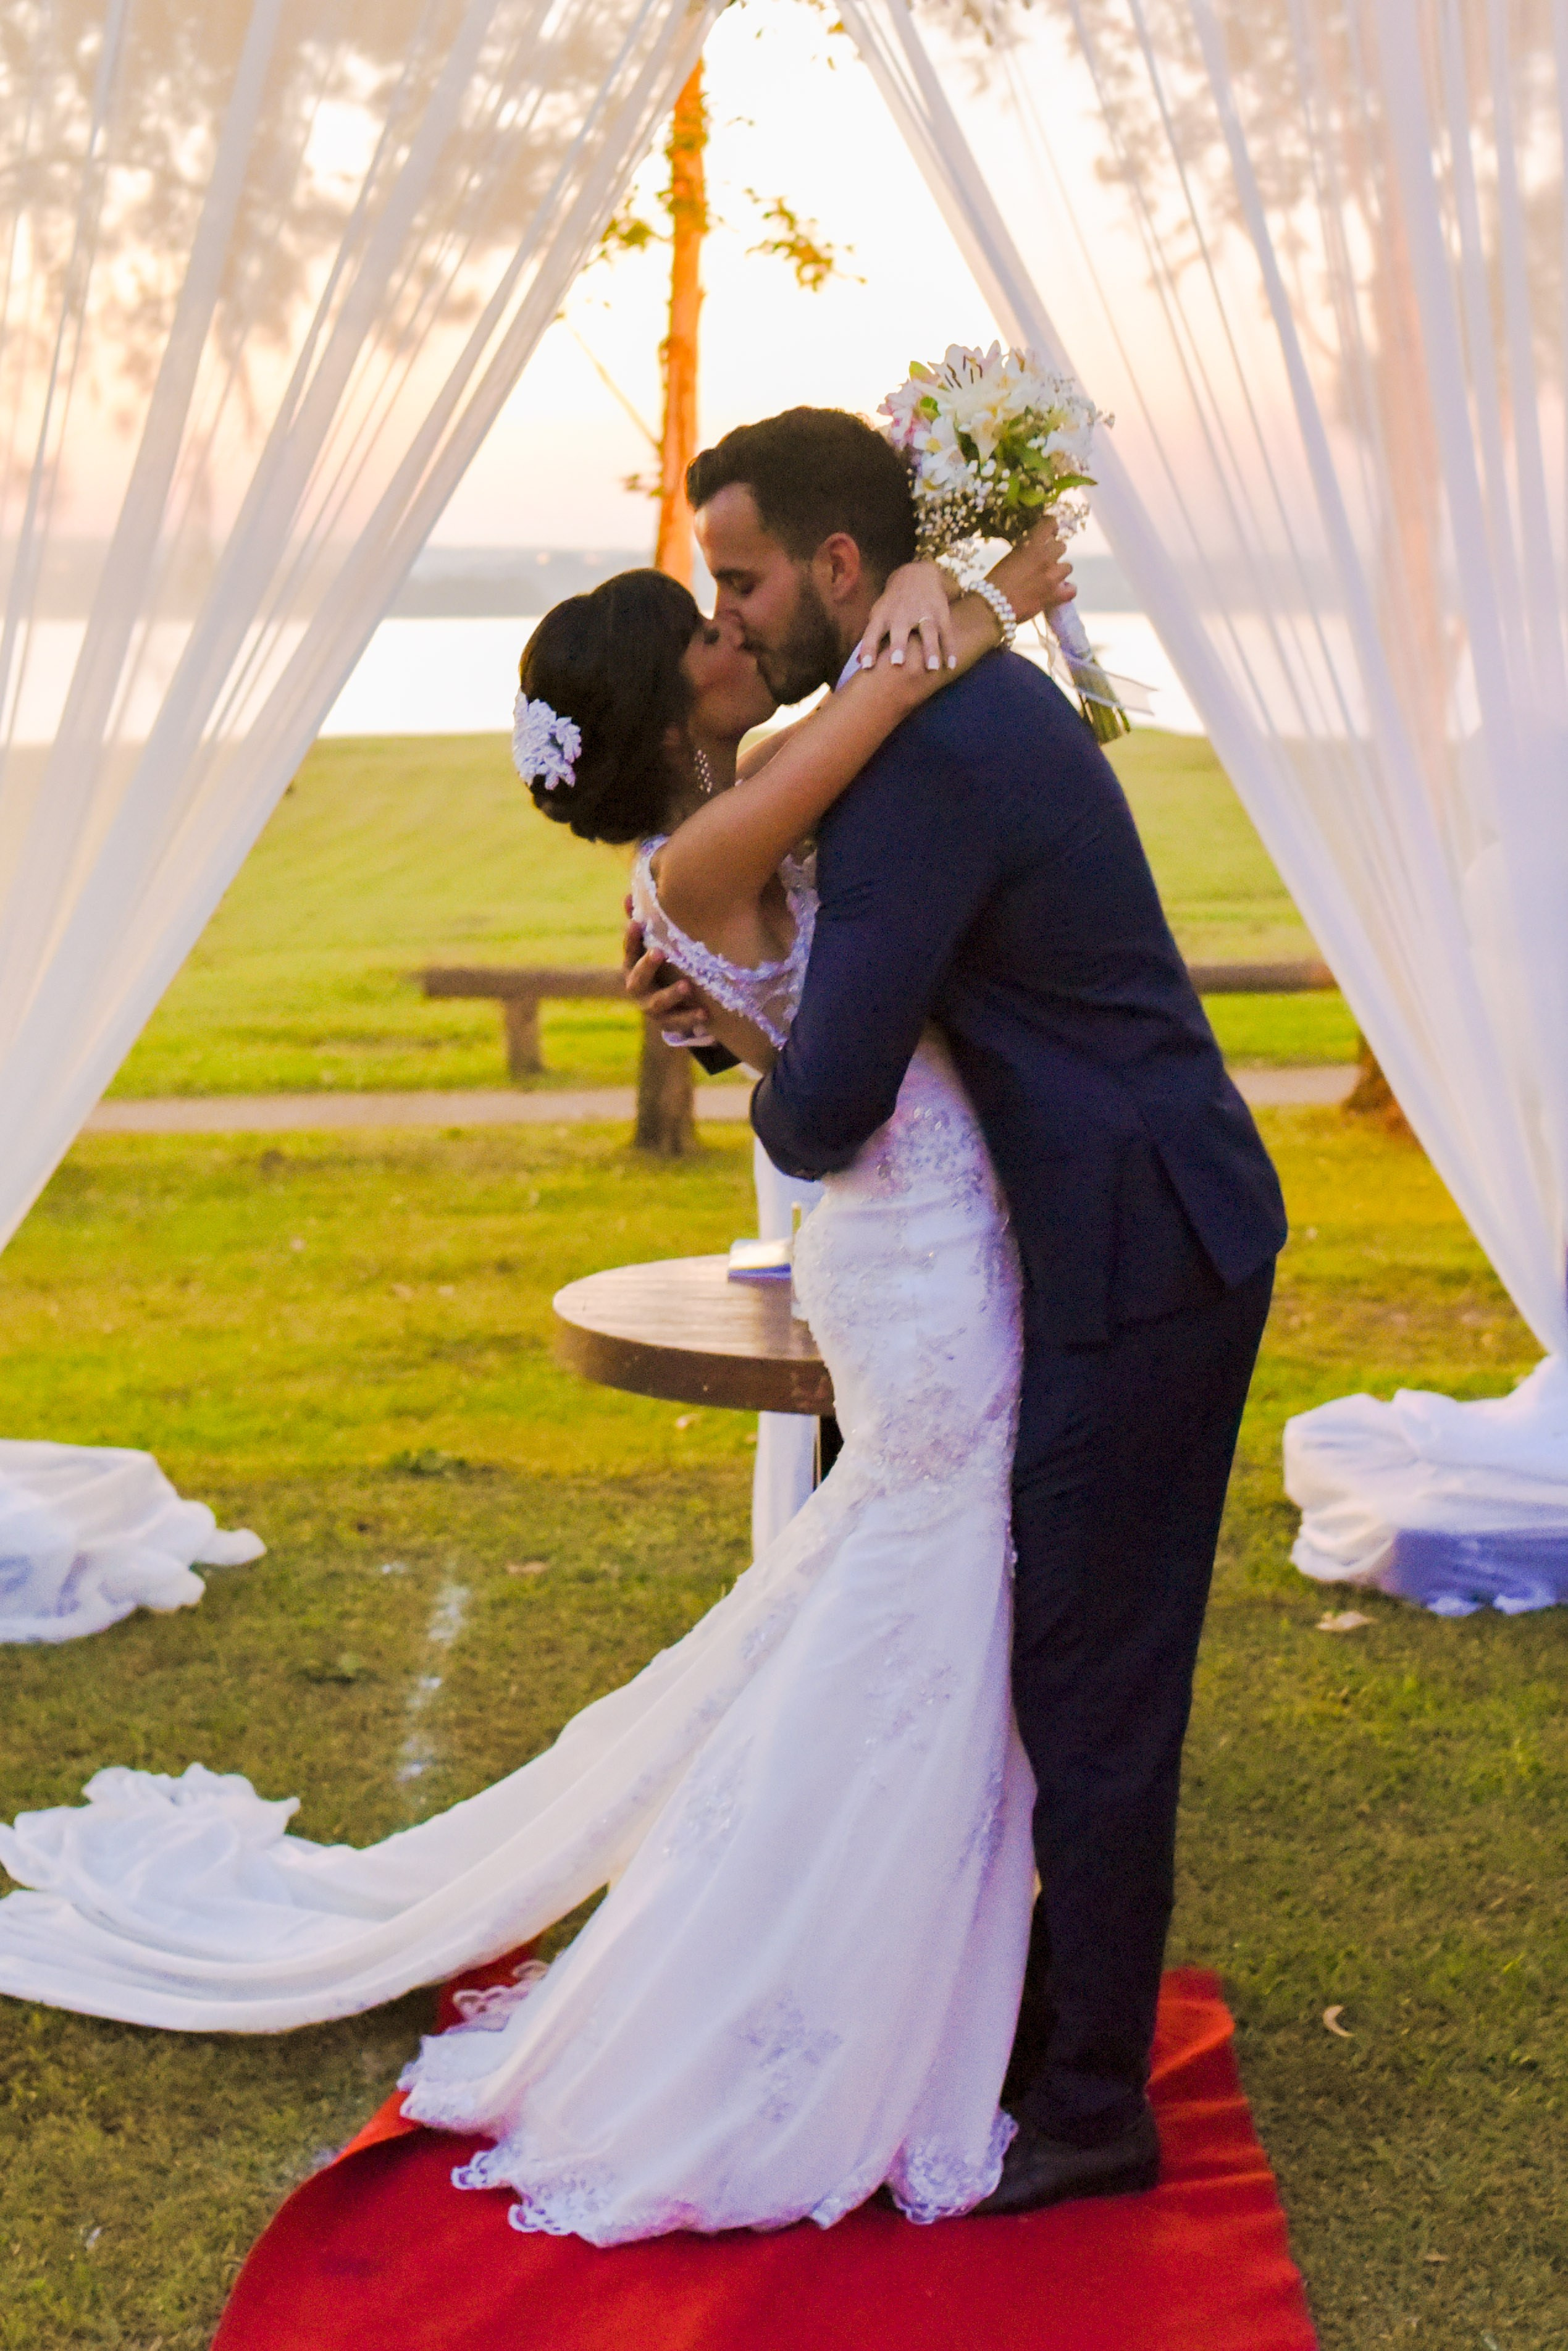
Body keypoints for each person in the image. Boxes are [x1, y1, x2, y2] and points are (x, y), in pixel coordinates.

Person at [0, 517, 1080, 2244]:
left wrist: (990, 602)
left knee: (910, 1588)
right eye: (713, 627)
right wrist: (982, 603)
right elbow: (887, 698)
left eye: (736, 604)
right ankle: (814, 1998)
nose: (743, 632)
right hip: (914, 1251)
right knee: (921, 1583)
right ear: (679, 701)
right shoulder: (711, 842)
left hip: (920, 1227)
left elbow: (868, 770)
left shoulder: (734, 815)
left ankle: (892, 1951)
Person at [637, 405, 1288, 2217]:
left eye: (748, 579)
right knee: (1054, 1660)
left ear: (844, 570)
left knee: (1092, 1678)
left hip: (1137, 1247)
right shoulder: (923, 707)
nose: (737, 615)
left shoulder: (928, 756)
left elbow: (833, 1100)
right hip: (1093, 1228)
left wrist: (730, 1044)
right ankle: (1026, 2025)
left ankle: (1086, 2108)